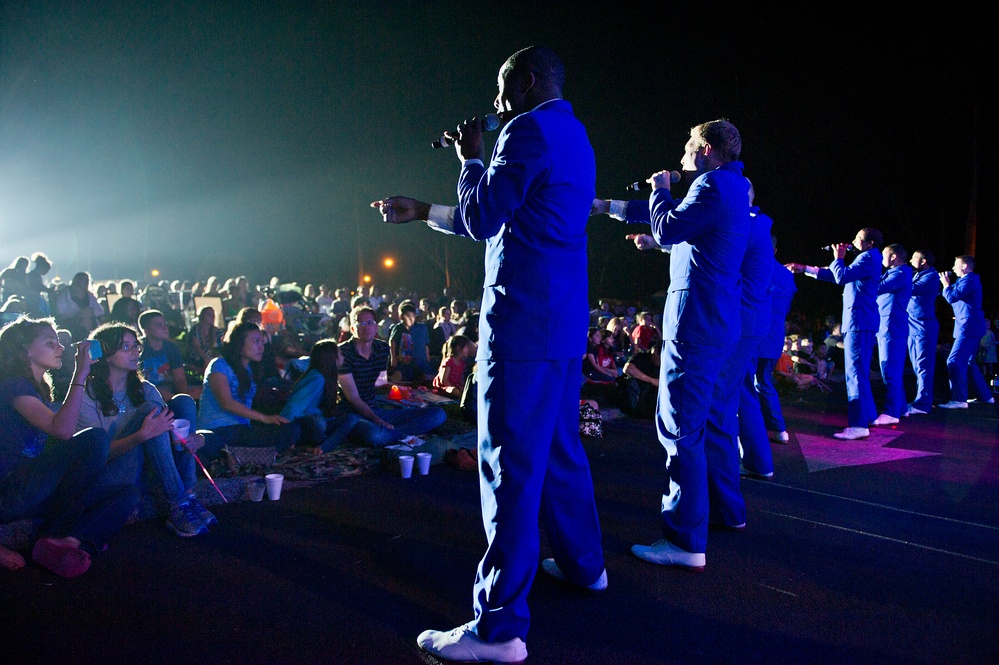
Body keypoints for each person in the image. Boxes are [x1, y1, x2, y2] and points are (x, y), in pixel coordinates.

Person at [372, 46, 605, 663]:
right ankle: (585, 566)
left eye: (503, 89)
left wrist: (470, 157)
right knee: (559, 450)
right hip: (559, 322)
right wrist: (424, 212)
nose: (497, 104)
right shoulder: (574, 133)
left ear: (526, 83)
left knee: (508, 467)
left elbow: (482, 216)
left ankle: (497, 630)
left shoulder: (526, 129)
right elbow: (515, 218)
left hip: (522, 323)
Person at [594, 118, 750, 569]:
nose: (680, 157)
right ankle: (725, 513)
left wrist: (660, 189)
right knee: (711, 422)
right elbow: (686, 233)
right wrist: (609, 206)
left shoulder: (712, 187)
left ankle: (684, 541)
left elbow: (668, 225)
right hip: (720, 323)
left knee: (679, 429)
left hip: (696, 325)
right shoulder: (735, 188)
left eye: (686, 148)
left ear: (704, 149)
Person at [0, 317, 137, 577]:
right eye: (50, 343)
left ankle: (63, 542)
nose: (60, 347)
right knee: (95, 439)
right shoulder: (12, 385)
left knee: (126, 494)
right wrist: (81, 372)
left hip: (36, 489)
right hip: (11, 489)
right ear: (25, 349)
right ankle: (60, 535)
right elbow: (61, 431)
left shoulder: (36, 388)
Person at [79, 323, 214, 538]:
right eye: (125, 347)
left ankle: (188, 494)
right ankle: (178, 503)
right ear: (105, 354)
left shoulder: (146, 389)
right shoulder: (88, 395)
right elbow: (95, 456)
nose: (134, 351)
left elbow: (167, 436)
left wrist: (194, 439)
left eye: (136, 346)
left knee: (183, 402)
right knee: (152, 410)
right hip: (115, 474)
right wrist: (141, 435)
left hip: (152, 469)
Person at [787, 227, 883, 440]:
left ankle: (858, 425)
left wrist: (837, 257)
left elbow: (840, 276)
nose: (852, 241)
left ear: (869, 243)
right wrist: (806, 269)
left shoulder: (868, 257)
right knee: (860, 372)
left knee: (854, 373)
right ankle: (869, 416)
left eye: (858, 238)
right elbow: (835, 274)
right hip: (861, 321)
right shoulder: (868, 258)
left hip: (859, 321)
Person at [337, 306, 446, 447]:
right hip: (353, 413)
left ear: (376, 327)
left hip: (375, 408)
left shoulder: (381, 348)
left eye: (370, 323)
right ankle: (398, 434)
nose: (366, 327)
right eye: (361, 323)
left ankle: (394, 434)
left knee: (438, 414)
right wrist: (378, 420)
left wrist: (408, 394)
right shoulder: (342, 352)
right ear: (352, 328)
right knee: (374, 435)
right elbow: (353, 398)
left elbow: (380, 383)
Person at [197, 322, 302, 461]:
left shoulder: (248, 370)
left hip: (242, 430)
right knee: (215, 443)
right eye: (256, 341)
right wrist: (265, 418)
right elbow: (226, 402)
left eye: (262, 341)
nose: (261, 346)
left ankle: (243, 455)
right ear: (239, 345)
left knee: (291, 429)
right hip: (218, 430)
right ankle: (242, 455)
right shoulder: (219, 365)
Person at [279, 339, 359, 454]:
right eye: (340, 353)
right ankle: (314, 443)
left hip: (319, 423)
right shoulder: (316, 378)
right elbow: (294, 404)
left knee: (352, 418)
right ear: (333, 358)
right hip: (306, 424)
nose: (343, 356)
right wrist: (284, 429)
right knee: (318, 421)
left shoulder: (328, 376)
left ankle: (322, 447)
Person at [756, 234, 797, 443]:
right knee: (764, 381)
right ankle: (779, 429)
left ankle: (748, 431)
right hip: (774, 334)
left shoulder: (754, 267)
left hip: (753, 332)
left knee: (743, 382)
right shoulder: (787, 275)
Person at [938, 256, 993, 408]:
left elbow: (951, 297)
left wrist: (946, 285)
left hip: (968, 327)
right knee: (969, 361)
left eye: (956, 265)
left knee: (954, 361)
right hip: (971, 326)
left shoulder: (969, 280)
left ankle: (959, 399)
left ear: (965, 266)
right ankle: (986, 396)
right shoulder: (965, 281)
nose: (953, 268)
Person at [871, 244, 913, 425]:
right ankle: (900, 407)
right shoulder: (896, 273)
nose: (881, 257)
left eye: (885, 254)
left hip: (892, 328)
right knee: (892, 369)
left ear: (894, 256)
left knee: (889, 369)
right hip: (889, 327)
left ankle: (891, 412)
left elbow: (876, 287)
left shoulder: (899, 274)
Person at [905, 249, 940, 415]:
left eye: (914, 258)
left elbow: (910, 289)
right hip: (913, 326)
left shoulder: (930, 276)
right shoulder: (919, 274)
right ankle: (921, 400)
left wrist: (899, 275)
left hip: (923, 326)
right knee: (918, 366)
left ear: (924, 261)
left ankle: (923, 404)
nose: (911, 260)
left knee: (923, 366)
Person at [137, 309, 193, 401]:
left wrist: (183, 399)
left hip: (171, 391)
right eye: (159, 325)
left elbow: (180, 379)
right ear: (146, 331)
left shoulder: (172, 348)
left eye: (165, 324)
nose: (165, 328)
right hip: (146, 394)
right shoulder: (138, 349)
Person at [54, 272, 104, 342]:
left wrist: (89, 312)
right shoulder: (65, 294)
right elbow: (60, 311)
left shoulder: (89, 295)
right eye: (84, 280)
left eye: (88, 280)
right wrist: (79, 313)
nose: (87, 282)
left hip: (89, 323)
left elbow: (99, 312)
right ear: (77, 281)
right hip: (69, 323)